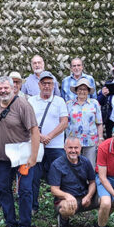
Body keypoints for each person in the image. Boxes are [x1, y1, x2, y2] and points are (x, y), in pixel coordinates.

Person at [0, 76, 40, 227]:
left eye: (6, 88)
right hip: (2, 157)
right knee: (3, 190)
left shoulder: (23, 105)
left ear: (13, 88)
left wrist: (33, 156)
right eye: (0, 89)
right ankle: (10, 222)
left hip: (23, 157)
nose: (3, 91)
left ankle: (25, 225)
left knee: (25, 191)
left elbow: (34, 131)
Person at [28, 71, 68, 213]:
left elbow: (64, 122)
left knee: (59, 176)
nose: (46, 86)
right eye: (44, 83)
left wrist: (49, 136)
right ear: (39, 85)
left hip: (56, 146)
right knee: (34, 176)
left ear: (53, 85)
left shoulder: (59, 101)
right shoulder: (31, 101)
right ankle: (33, 205)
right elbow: (28, 122)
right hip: (36, 145)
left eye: (49, 83)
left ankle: (59, 205)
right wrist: (39, 137)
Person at [48, 137, 99, 227]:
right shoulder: (57, 164)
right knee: (67, 207)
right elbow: (54, 190)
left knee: (108, 199)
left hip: (84, 197)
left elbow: (92, 181)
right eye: (70, 148)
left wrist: (89, 196)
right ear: (65, 148)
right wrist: (67, 196)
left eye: (76, 148)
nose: (73, 151)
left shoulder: (86, 162)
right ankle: (63, 219)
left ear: (80, 148)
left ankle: (100, 225)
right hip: (66, 200)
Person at [65, 78, 104, 167]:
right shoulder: (69, 104)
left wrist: (100, 138)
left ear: (88, 91)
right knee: (72, 166)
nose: (82, 91)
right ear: (76, 90)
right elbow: (65, 122)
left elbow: (99, 123)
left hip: (90, 140)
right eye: (80, 89)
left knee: (89, 165)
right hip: (73, 142)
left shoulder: (94, 103)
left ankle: (89, 181)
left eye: (84, 89)